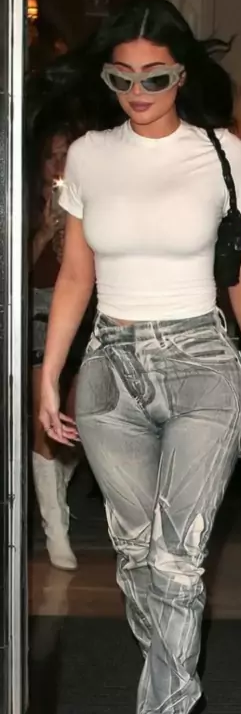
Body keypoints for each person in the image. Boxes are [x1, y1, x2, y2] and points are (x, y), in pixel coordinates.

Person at [38, 0, 241, 714]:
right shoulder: (91, 156)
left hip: (204, 368)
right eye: (122, 78)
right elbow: (76, 274)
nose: (138, 93)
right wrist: (50, 374)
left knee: (179, 565)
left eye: (156, 78)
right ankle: (173, 702)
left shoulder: (221, 152)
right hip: (110, 369)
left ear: (184, 73)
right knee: (142, 563)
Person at [30, 127, 93, 571]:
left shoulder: (90, 201)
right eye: (52, 157)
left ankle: (56, 496)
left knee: (83, 420)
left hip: (82, 318)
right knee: (45, 421)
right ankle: (55, 530)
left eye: (65, 155)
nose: (59, 164)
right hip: (36, 317)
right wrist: (42, 232)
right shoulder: (25, 206)